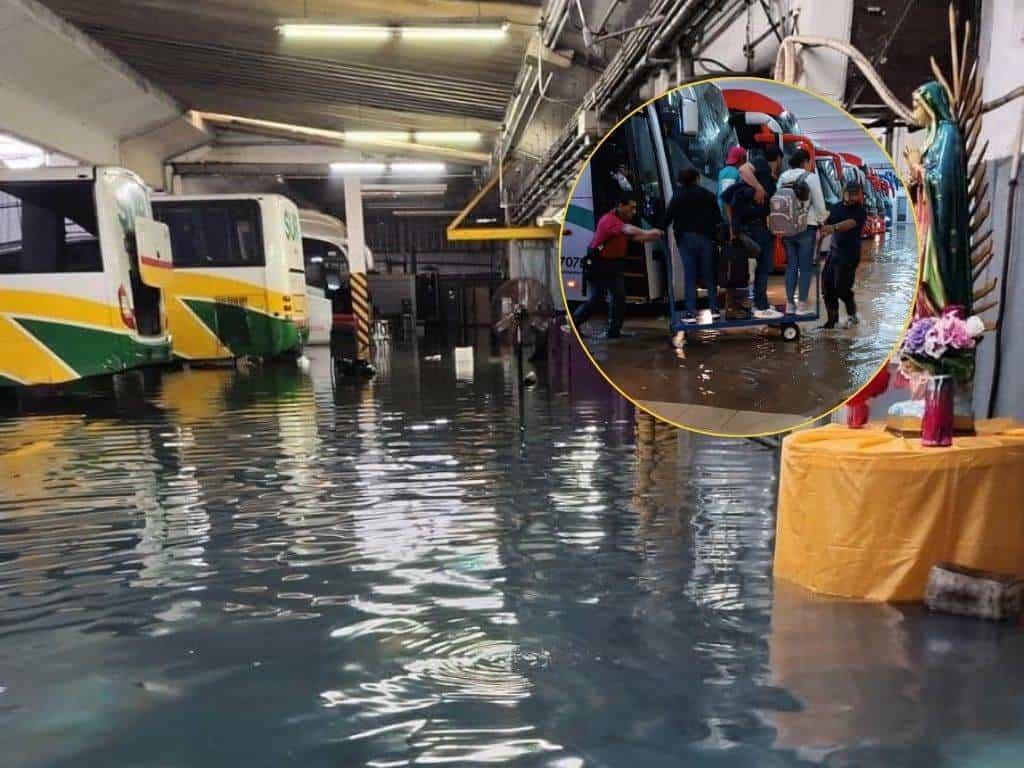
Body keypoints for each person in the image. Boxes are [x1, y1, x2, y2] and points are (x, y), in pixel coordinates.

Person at [572, 195, 663, 339]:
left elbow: (637, 238)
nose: (633, 212)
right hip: (600, 263)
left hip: (613, 264)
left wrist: (656, 235)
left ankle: (614, 331)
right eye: (631, 207)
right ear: (620, 205)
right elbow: (629, 230)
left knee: (619, 297)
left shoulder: (619, 221)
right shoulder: (610, 220)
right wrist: (649, 232)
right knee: (598, 299)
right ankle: (575, 322)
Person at [661, 168, 724, 323]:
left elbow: (668, 216)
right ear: (697, 178)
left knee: (690, 275)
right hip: (705, 238)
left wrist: (659, 229)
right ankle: (714, 309)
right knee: (709, 274)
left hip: (685, 239)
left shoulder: (678, 195)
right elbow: (717, 217)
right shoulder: (707, 195)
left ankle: (690, 313)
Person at [777, 148, 828, 315]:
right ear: (806, 162)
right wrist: (822, 220)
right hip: (806, 226)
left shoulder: (783, 177)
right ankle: (802, 305)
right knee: (805, 267)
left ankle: (790, 304)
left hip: (787, 228)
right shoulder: (810, 177)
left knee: (791, 266)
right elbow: (820, 204)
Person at [737, 144, 784, 319]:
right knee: (764, 266)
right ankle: (761, 305)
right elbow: (743, 170)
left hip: (760, 225)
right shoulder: (760, 163)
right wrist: (759, 187)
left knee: (763, 267)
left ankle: (760, 301)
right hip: (758, 227)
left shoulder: (768, 174)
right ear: (779, 158)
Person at [819, 180, 867, 329]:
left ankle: (852, 315)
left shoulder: (860, 210)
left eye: (856, 194)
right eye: (850, 193)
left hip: (849, 255)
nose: (853, 197)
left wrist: (833, 227)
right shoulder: (836, 208)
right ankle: (832, 321)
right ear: (843, 193)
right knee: (827, 287)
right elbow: (825, 224)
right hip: (833, 253)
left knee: (841, 288)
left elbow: (849, 224)